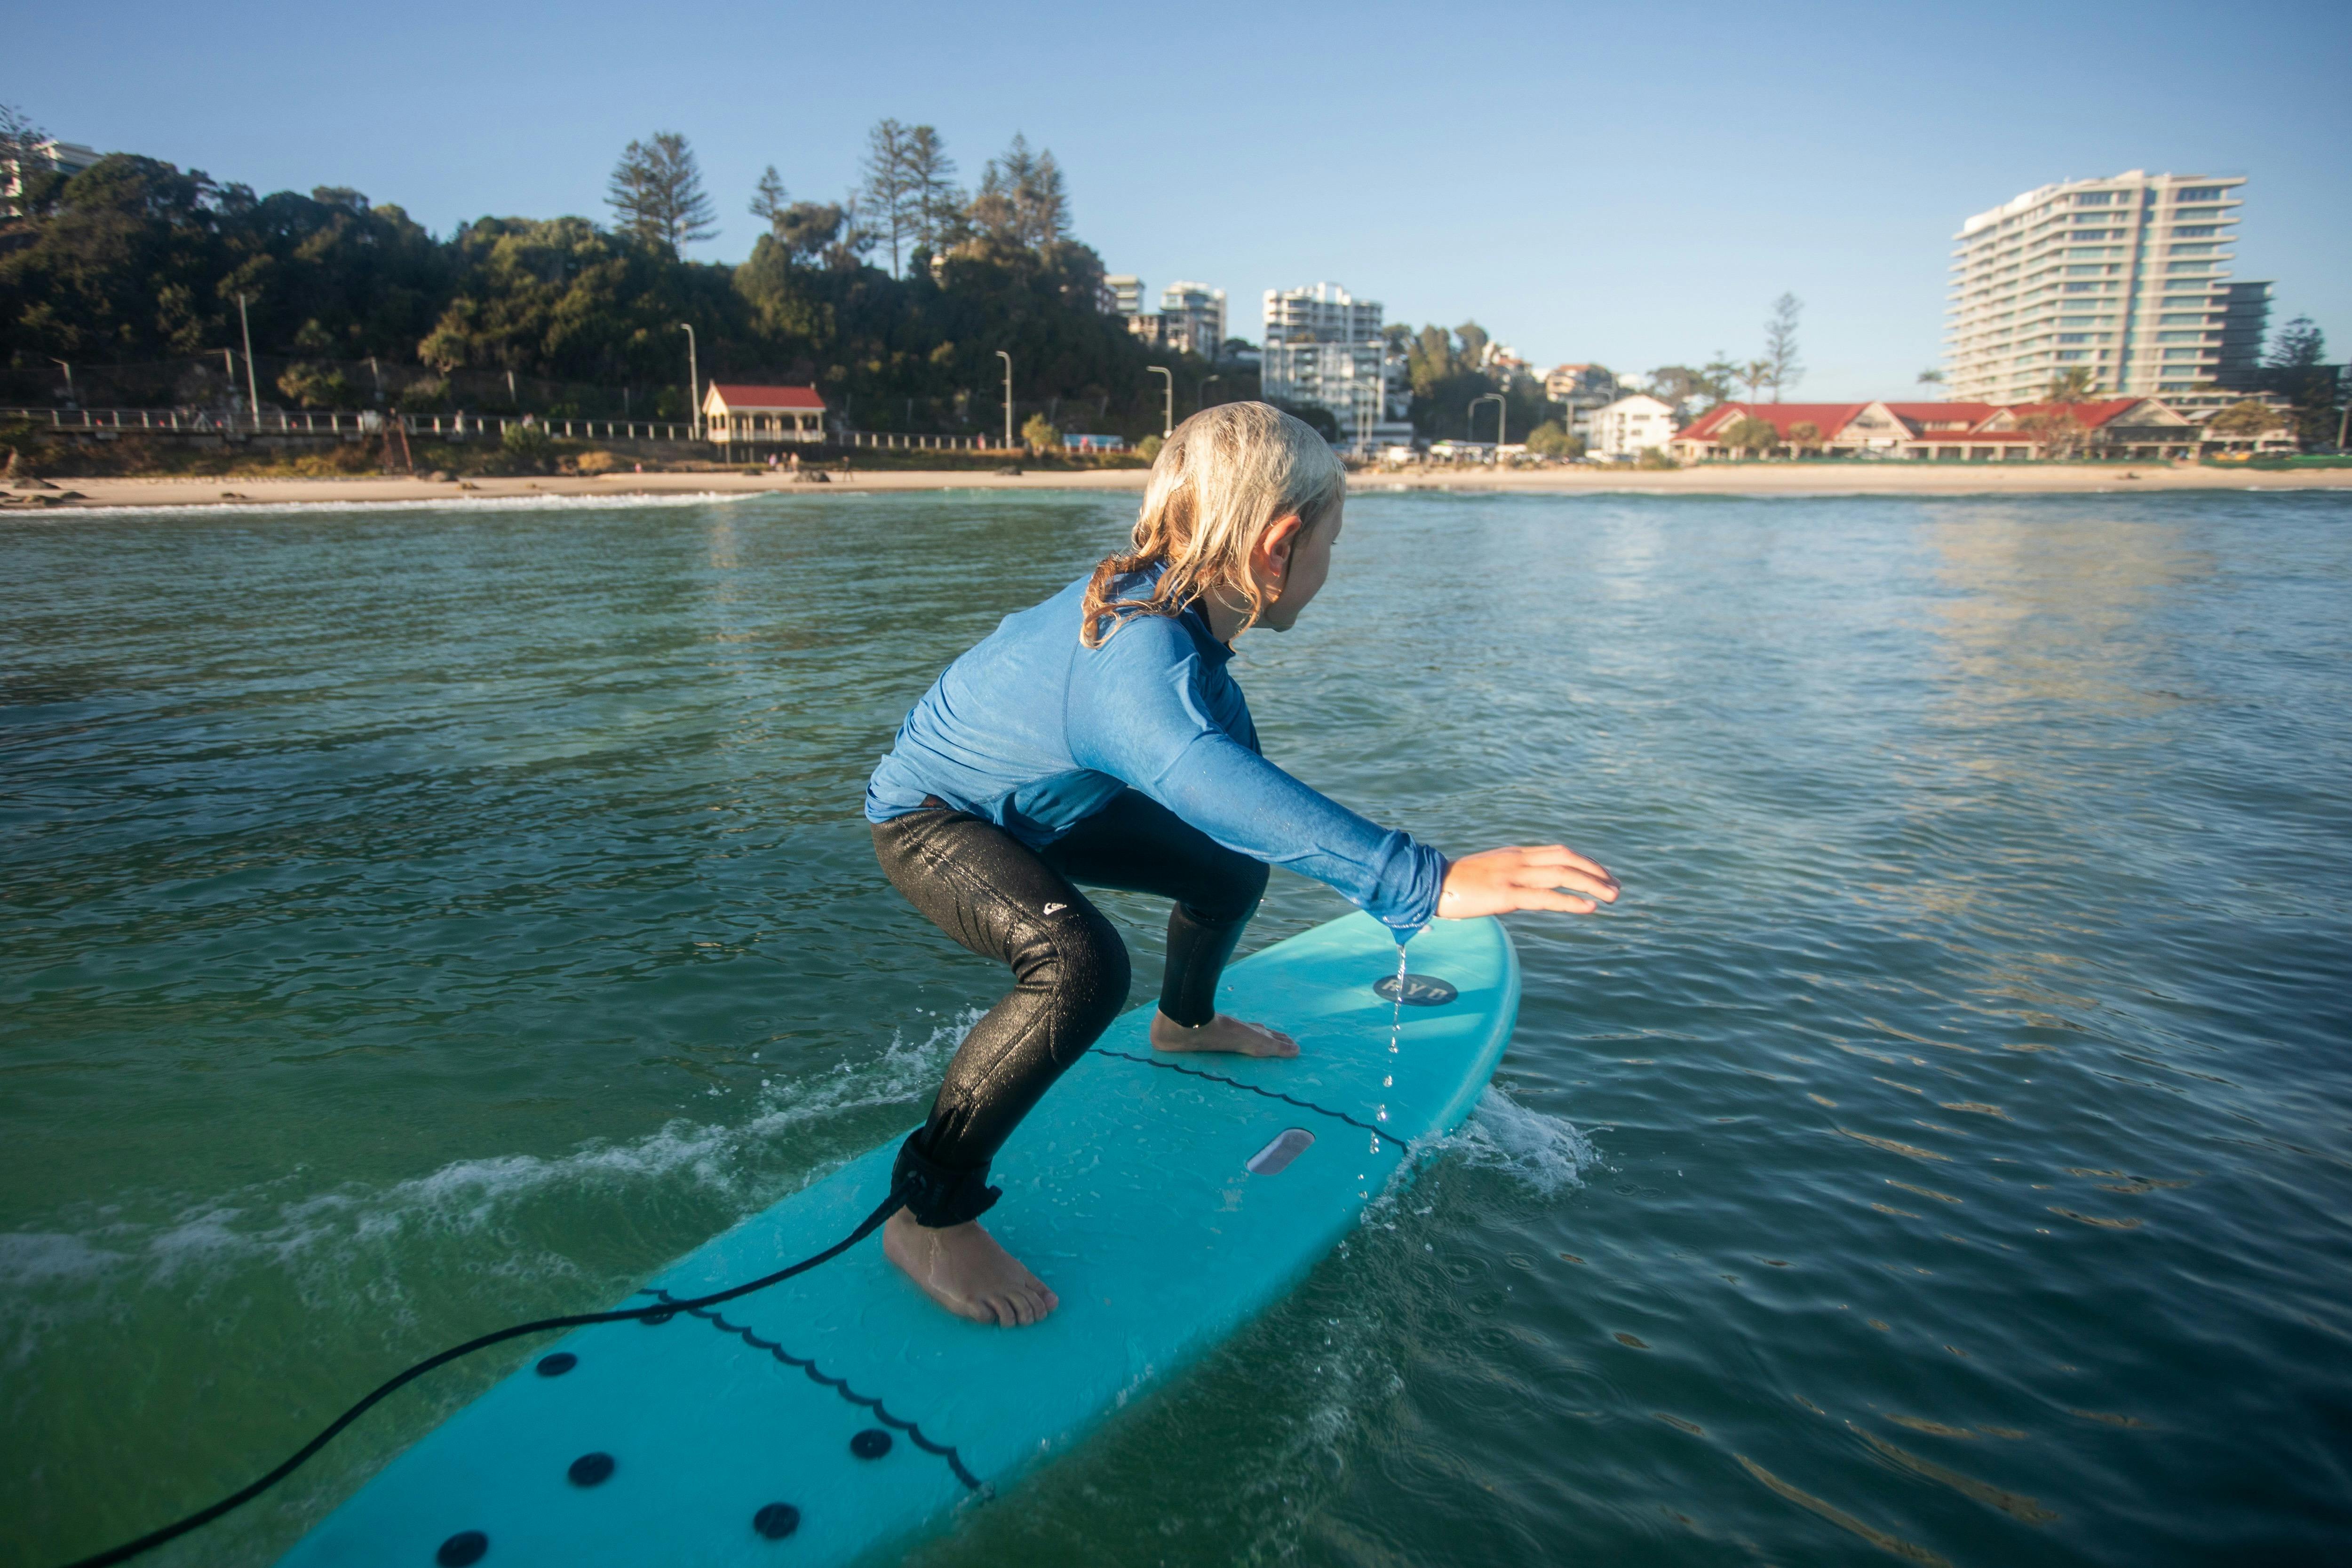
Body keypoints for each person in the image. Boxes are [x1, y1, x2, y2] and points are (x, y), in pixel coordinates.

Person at [865, 403, 1618, 1327]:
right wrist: (1426, 882)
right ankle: (927, 1212)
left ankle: (1183, 1022)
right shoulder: (1139, 659)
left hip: (1051, 802)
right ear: (1280, 543)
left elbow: (1237, 791)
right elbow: (1199, 769)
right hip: (935, 818)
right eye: (1333, 545)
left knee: (1226, 868)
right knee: (1081, 966)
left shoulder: (1177, 607)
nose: (1330, 569)